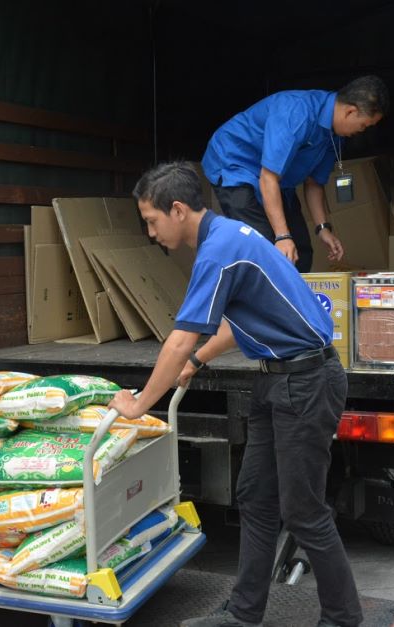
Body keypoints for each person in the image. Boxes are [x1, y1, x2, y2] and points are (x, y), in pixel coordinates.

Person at [109, 162, 361, 627]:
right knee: (255, 498)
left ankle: (344, 619)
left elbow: (180, 336)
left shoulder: (219, 248)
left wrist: (140, 404)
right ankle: (243, 616)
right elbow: (236, 320)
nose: (150, 232)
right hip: (274, 379)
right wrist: (197, 362)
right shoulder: (227, 236)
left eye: (151, 220)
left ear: (178, 210)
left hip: (304, 381)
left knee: (304, 512)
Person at [202, 75, 389, 272]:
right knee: (266, 247)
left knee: (300, 250)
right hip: (236, 164)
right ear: (351, 111)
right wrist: (282, 236)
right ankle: (257, 300)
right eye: (364, 125)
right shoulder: (297, 112)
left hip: (277, 180)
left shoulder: (335, 137)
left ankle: (294, 301)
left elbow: (314, 183)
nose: (362, 131)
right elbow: (268, 178)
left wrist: (323, 229)